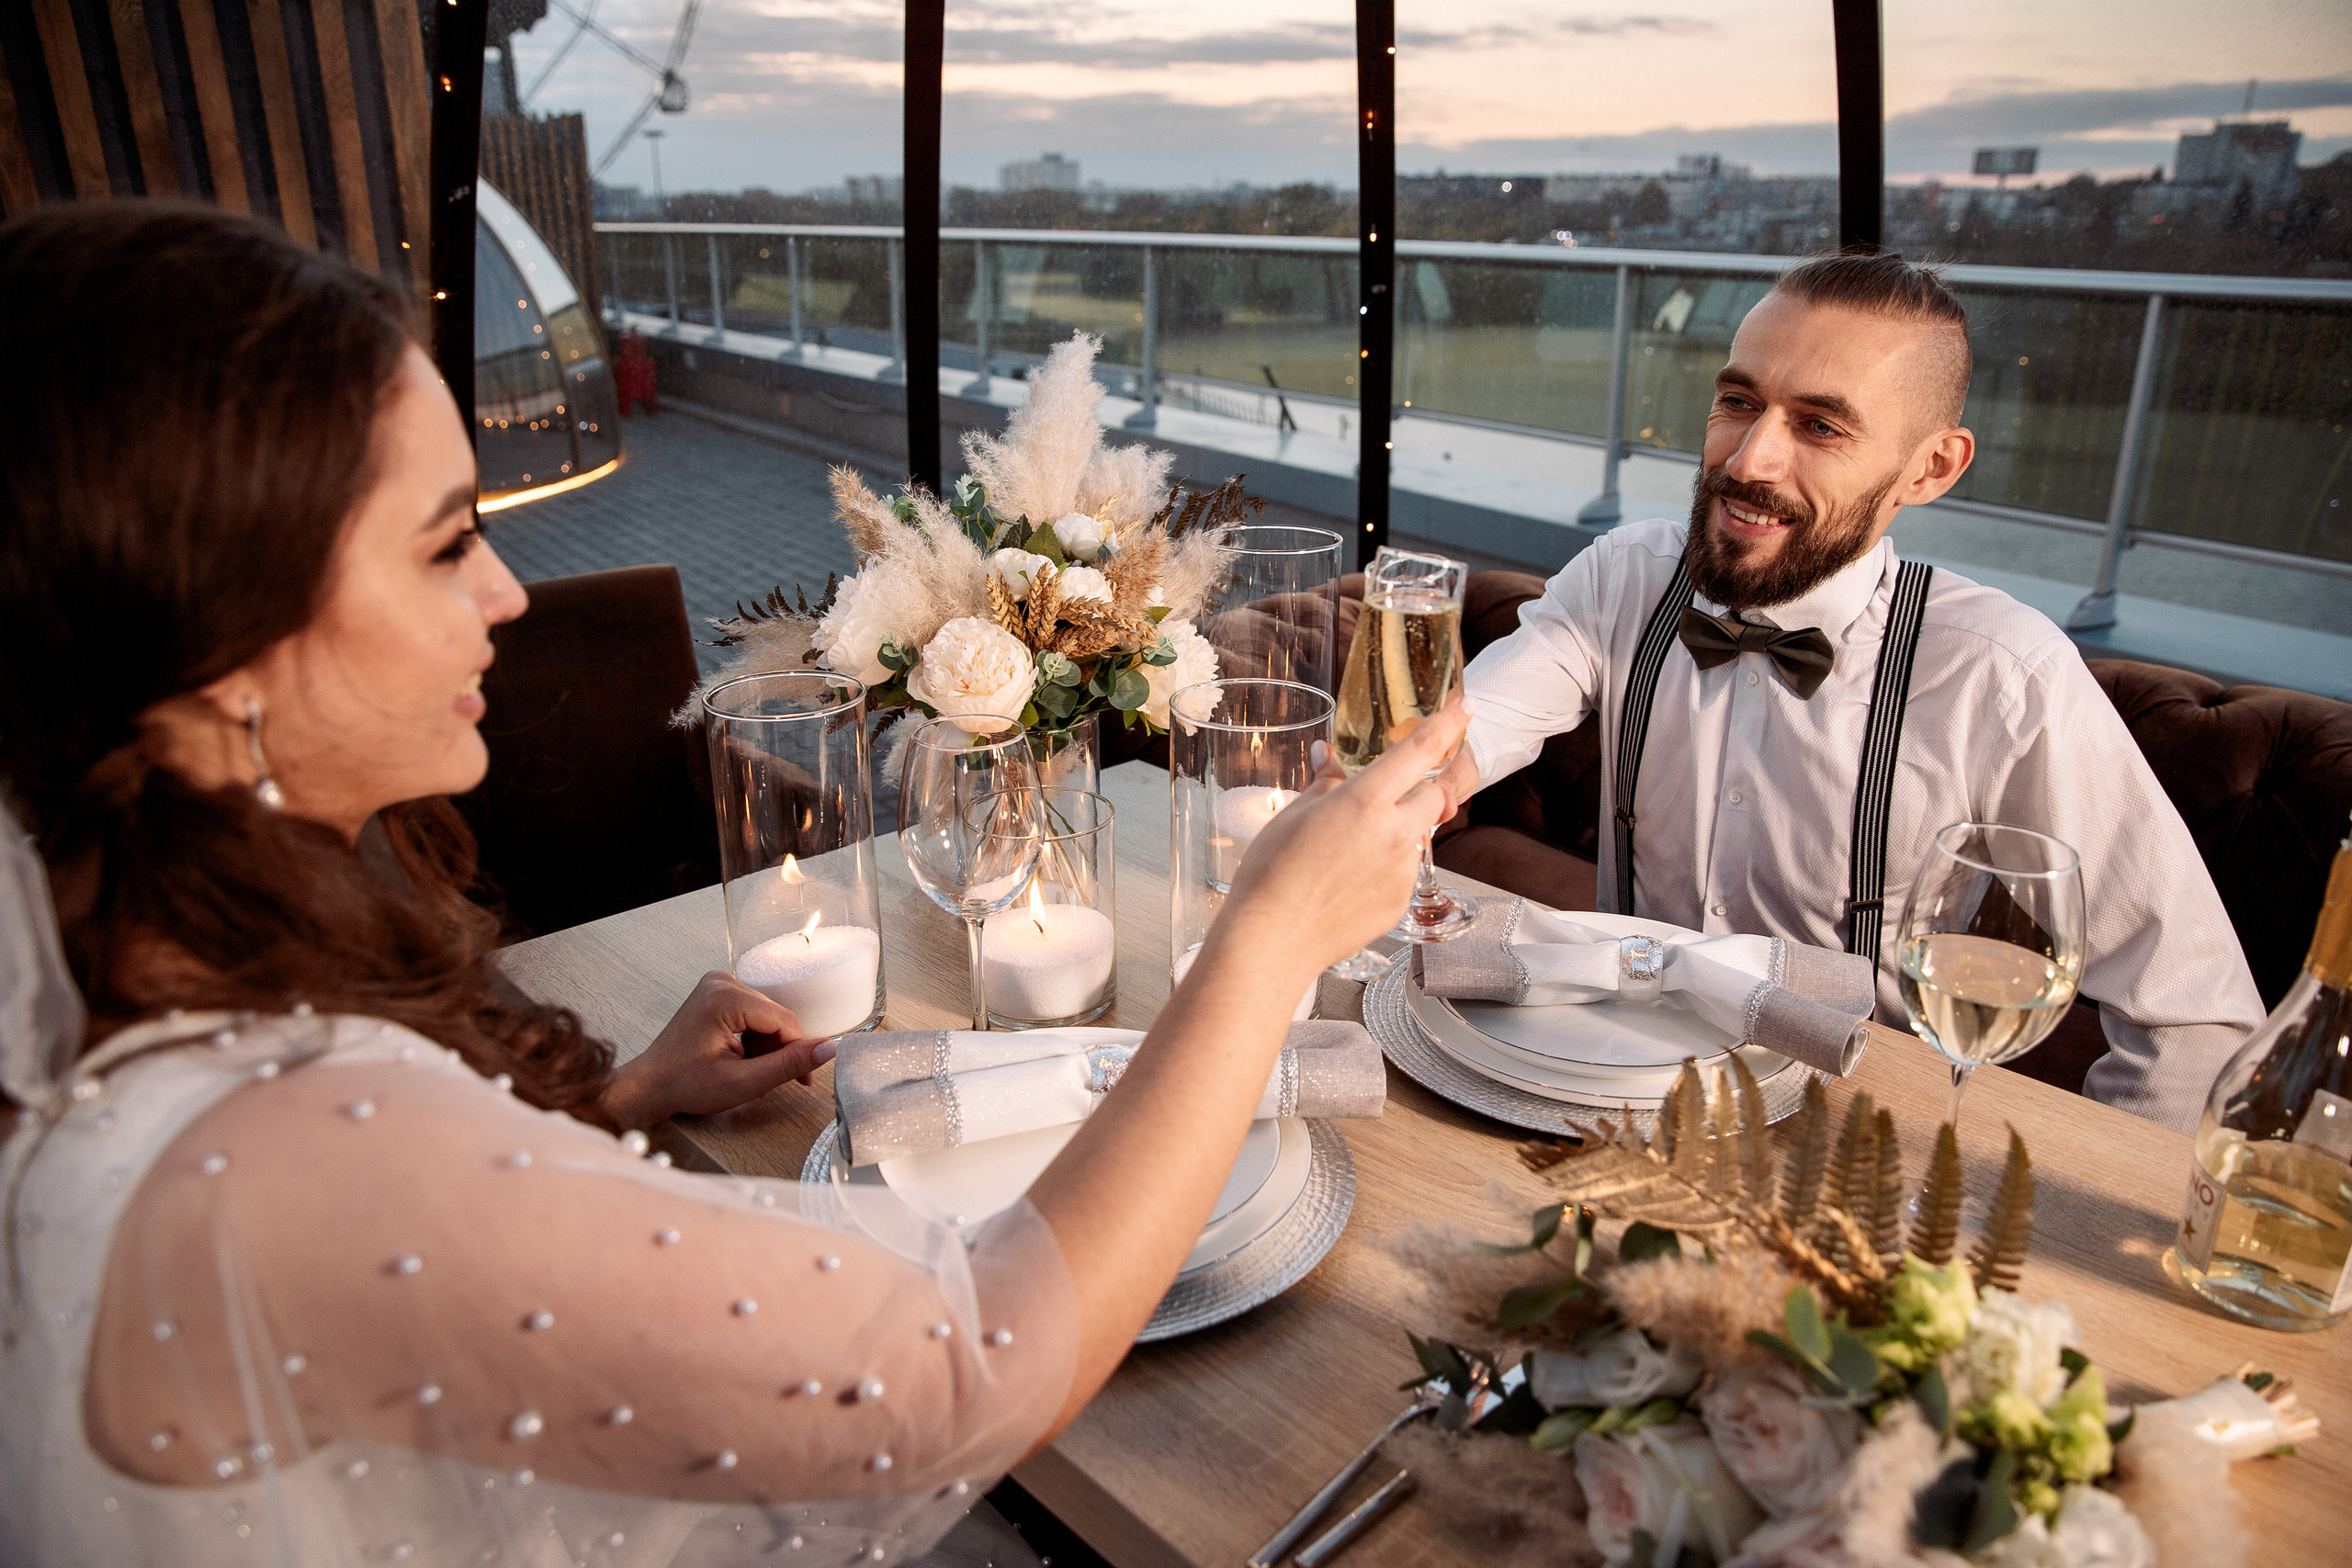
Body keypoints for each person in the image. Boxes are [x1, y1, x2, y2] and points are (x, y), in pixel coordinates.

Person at [0, 202, 1464, 1565]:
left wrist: (613, 1105)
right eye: (449, 541)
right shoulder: (279, 1145)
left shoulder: (130, 974)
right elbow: (958, 1370)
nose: (509, 592)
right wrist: (1268, 935)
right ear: (219, 641)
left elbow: (360, 1275)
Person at [1437, 251, 2261, 1134]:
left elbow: (2195, 1011)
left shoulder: (2003, 676)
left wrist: (2088, 1212)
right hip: (1609, 1089)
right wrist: (1404, 789)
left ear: (1930, 469)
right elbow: (1459, 739)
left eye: (1820, 426)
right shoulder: (1624, 576)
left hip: (1858, 1143)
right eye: (1739, 402)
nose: (1749, 461)